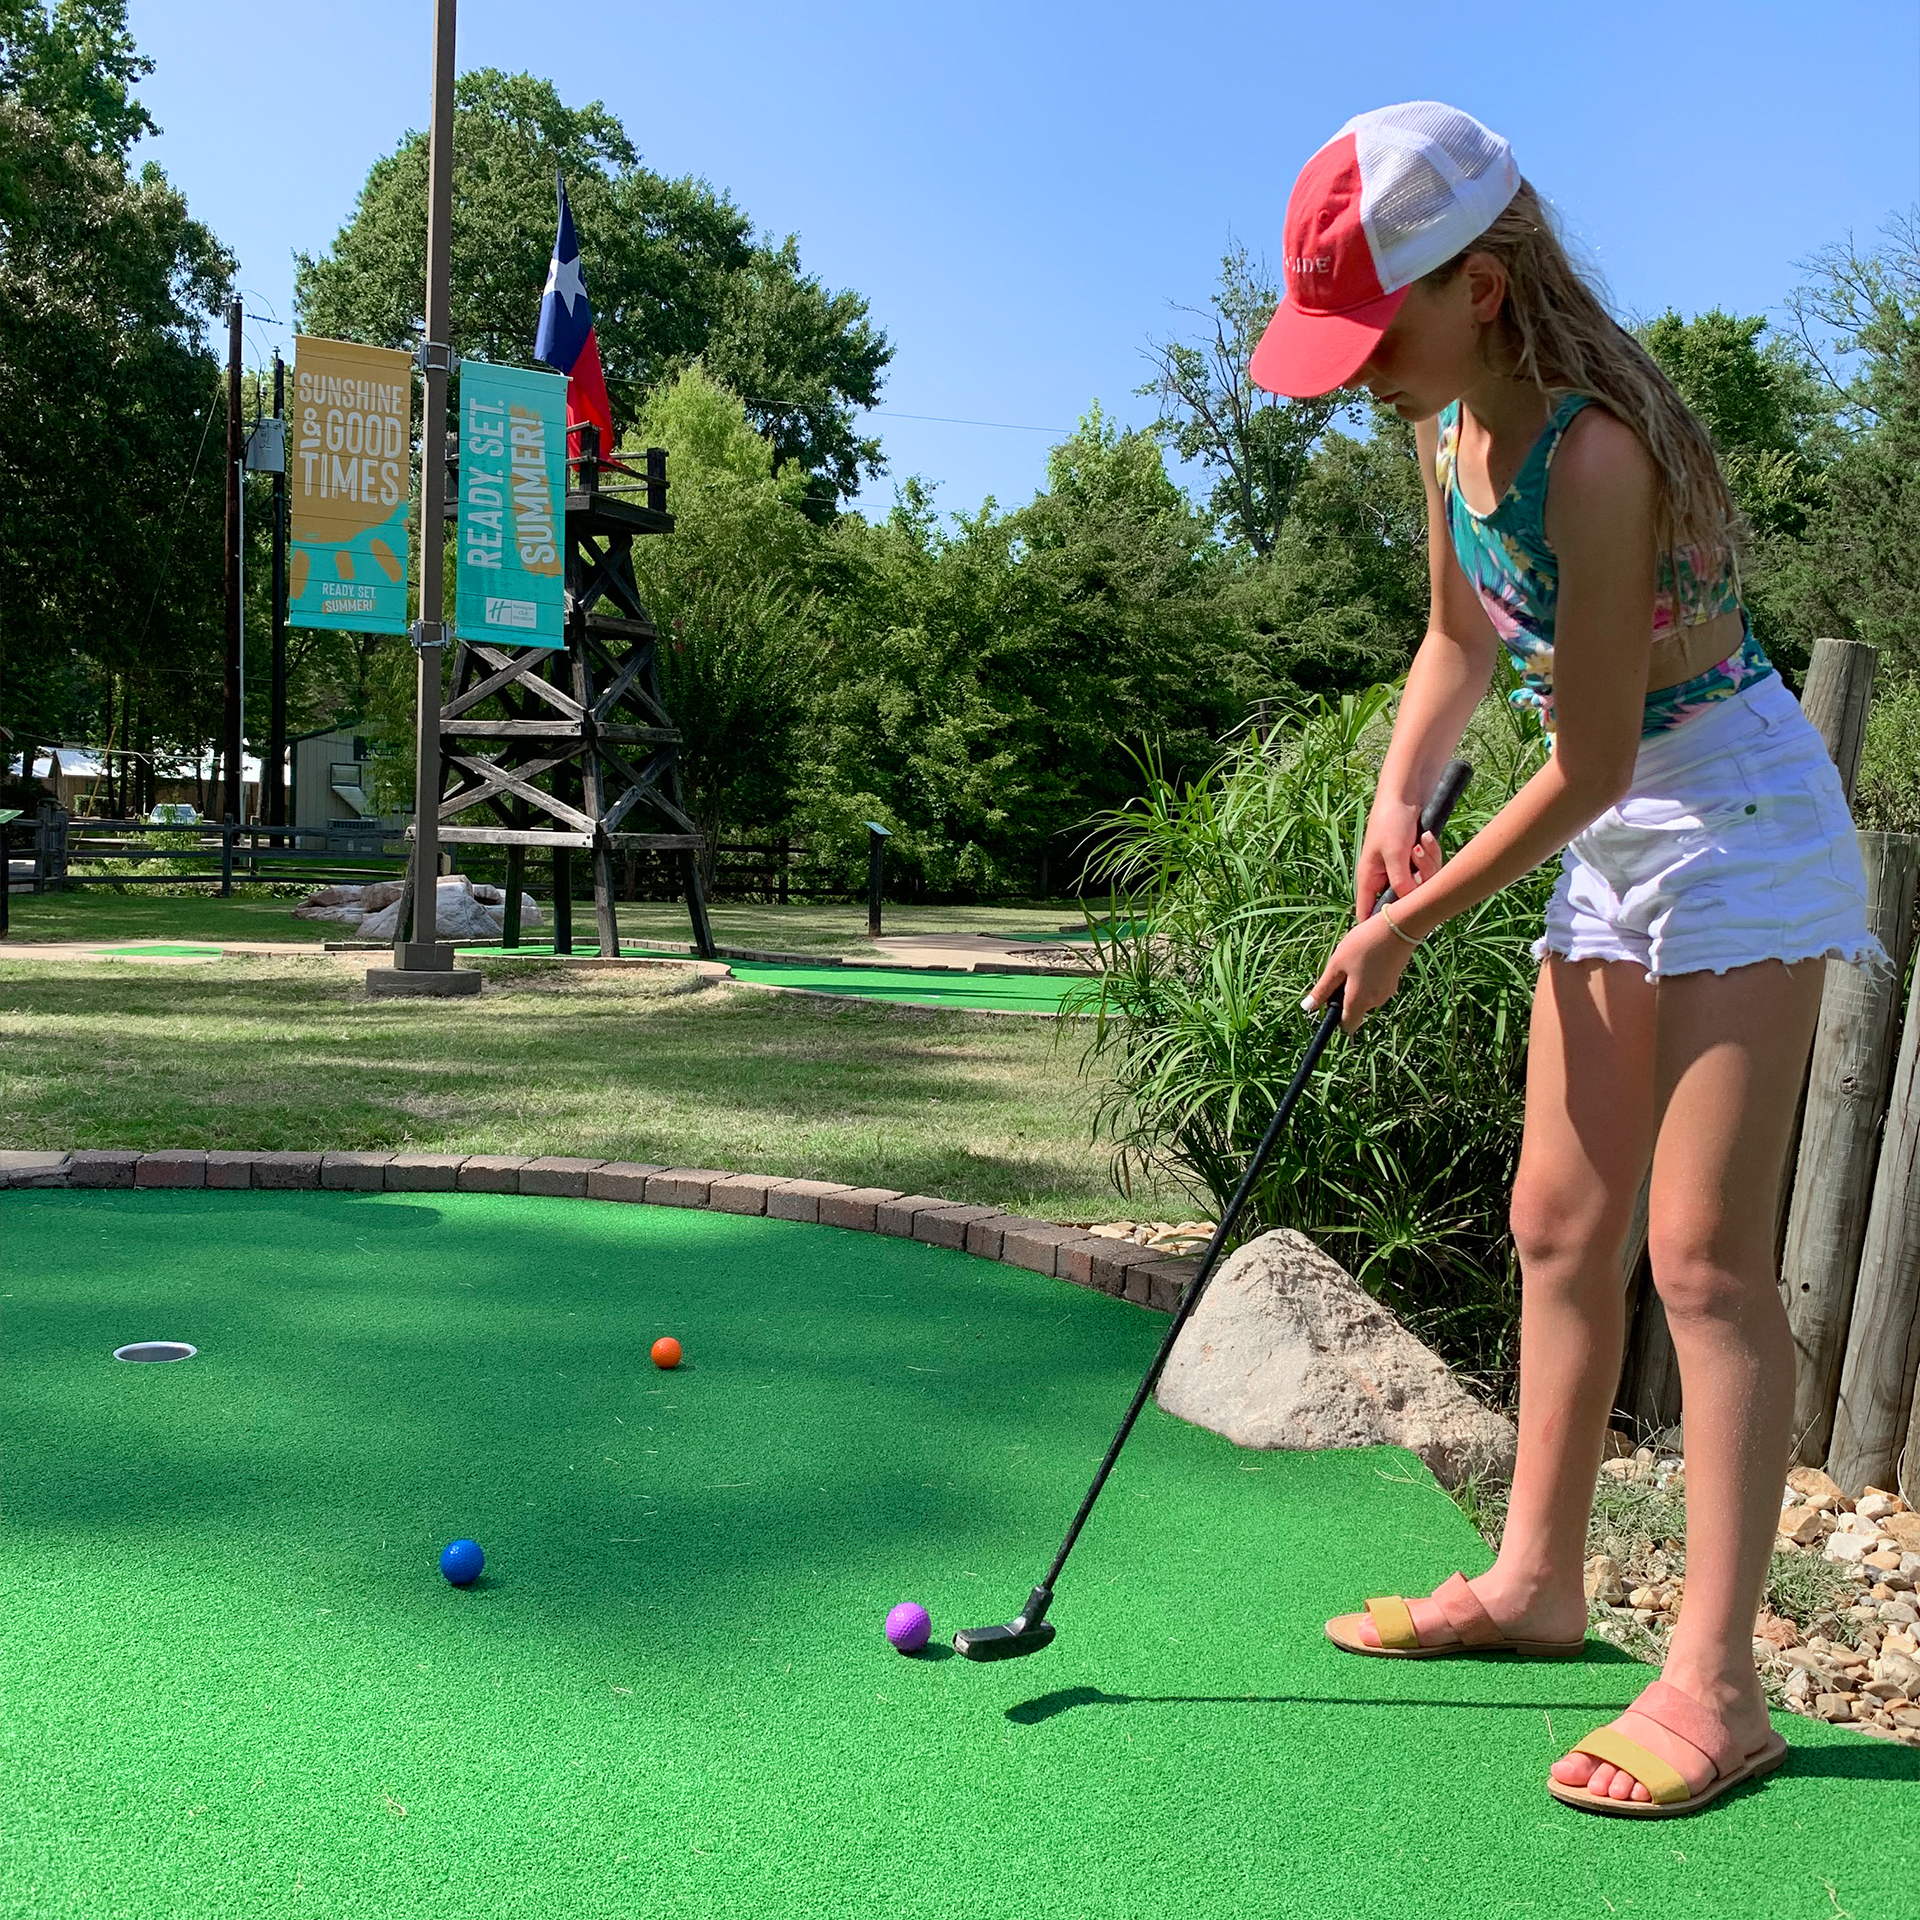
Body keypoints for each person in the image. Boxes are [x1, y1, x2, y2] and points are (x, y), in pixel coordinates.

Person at [1251, 102, 1884, 1817]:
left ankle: (1720, 1684)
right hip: (1605, 834)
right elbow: (1460, 641)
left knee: (1698, 1262)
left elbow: (1600, 756)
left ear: (1485, 279)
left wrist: (1400, 923)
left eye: (1376, 331)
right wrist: (1403, 793)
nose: (1359, 371)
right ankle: (1535, 1586)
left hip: (1737, 825)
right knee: (1556, 1225)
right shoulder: (1449, 429)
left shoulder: (1596, 454)